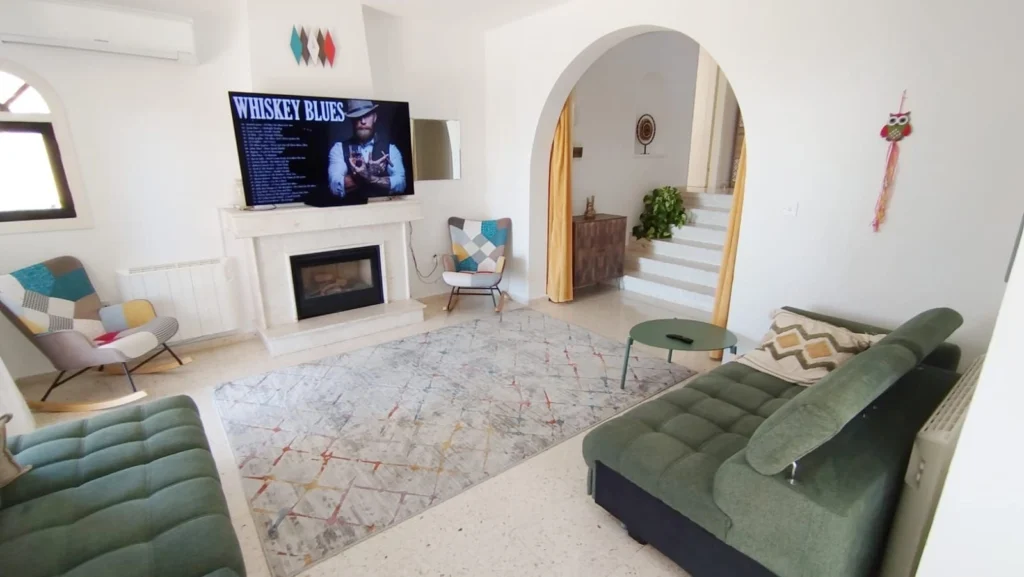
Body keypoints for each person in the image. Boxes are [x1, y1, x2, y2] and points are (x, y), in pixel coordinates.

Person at [327, 99, 406, 197]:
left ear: (374, 117)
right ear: (351, 120)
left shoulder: (391, 149)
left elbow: (400, 184)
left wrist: (370, 177)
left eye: (367, 115)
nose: (363, 121)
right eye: (358, 117)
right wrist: (369, 172)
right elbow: (335, 187)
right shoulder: (338, 149)